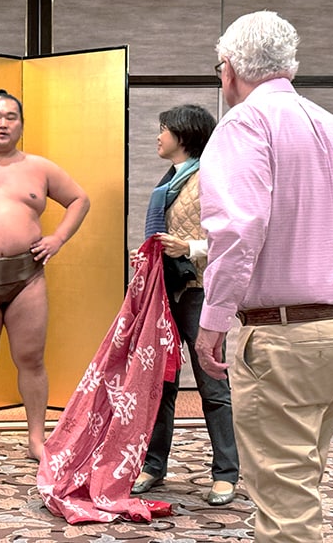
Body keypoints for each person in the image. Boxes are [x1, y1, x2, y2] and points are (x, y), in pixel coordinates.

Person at [195, 10, 333, 542]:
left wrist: (212, 322)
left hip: (282, 339)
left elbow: (240, 231)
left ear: (228, 69)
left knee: (284, 509)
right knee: (299, 484)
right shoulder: (331, 125)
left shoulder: (244, 123)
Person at [0, 89, 90, 461]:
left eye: (11, 116)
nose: (3, 122)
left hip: (26, 276)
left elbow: (80, 199)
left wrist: (58, 238)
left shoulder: (40, 167)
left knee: (30, 357)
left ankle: (36, 439)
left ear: (21, 125)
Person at [130, 104, 239, 505]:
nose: (158, 135)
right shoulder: (170, 181)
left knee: (212, 383)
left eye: (164, 129)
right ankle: (154, 466)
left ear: (185, 135)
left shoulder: (211, 178)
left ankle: (226, 473)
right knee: (161, 383)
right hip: (165, 293)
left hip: (197, 291)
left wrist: (188, 247)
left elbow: (233, 239)